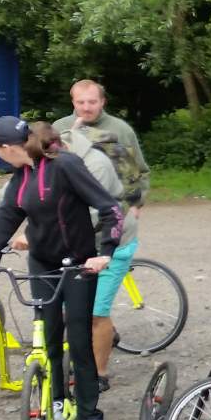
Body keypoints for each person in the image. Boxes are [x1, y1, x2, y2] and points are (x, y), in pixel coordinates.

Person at [0, 118, 121, 420]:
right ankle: (56, 403)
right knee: (47, 339)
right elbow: (8, 214)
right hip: (42, 263)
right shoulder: (21, 176)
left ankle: (90, 416)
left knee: (78, 339)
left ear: (6, 148)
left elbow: (110, 208)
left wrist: (105, 252)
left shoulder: (65, 165)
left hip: (78, 264)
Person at [53, 80, 150, 389]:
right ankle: (97, 343)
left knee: (96, 313)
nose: (86, 108)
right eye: (80, 102)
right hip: (74, 235)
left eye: (92, 102)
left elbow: (138, 171)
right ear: (72, 102)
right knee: (71, 310)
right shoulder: (60, 129)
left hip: (111, 233)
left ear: (103, 102)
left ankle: (99, 373)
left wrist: (136, 203)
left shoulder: (120, 130)